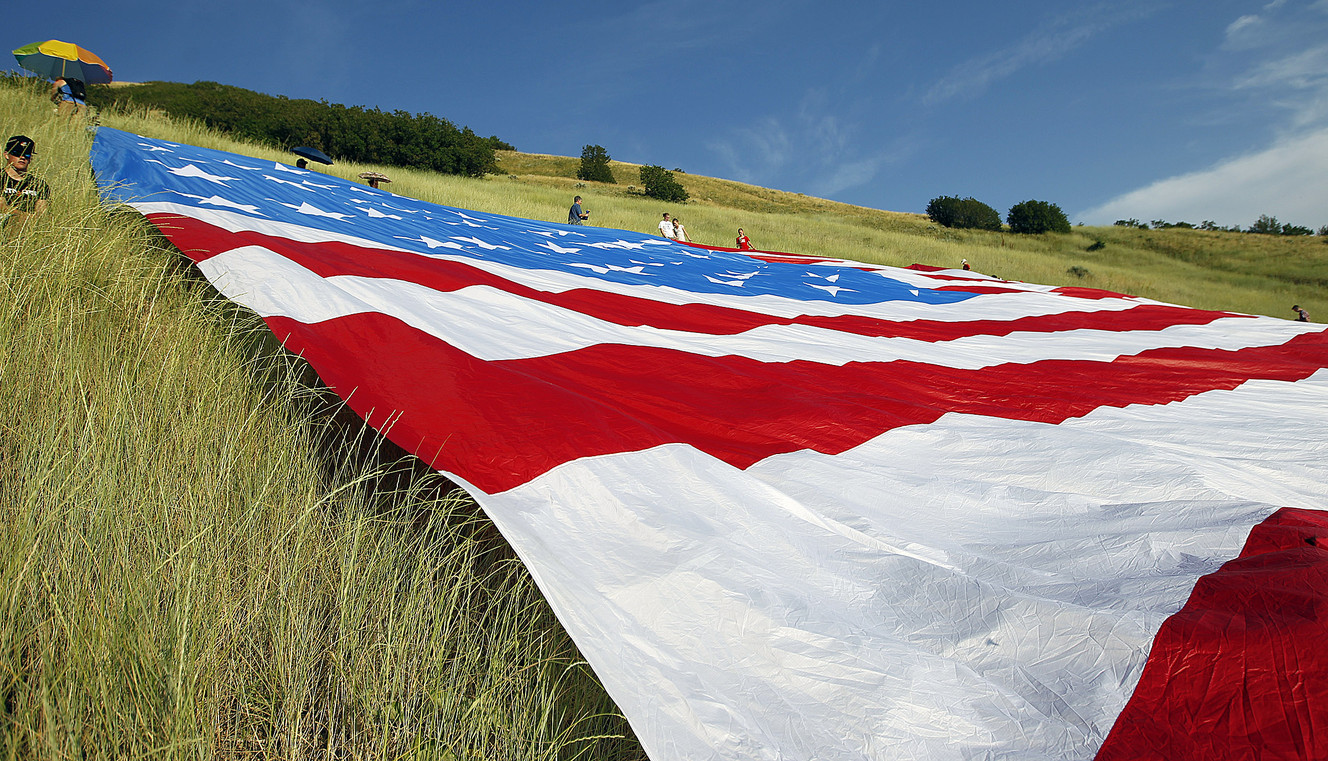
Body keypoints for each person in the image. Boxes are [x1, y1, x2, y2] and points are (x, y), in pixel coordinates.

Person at [1, 135, 49, 229]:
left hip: (29, 230)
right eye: (17, 153)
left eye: (27, 155)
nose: (22, 157)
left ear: (31, 159)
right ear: (6, 154)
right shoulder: (1, 178)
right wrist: (28, 218)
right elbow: (2, 207)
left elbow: (43, 216)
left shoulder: (39, 184)